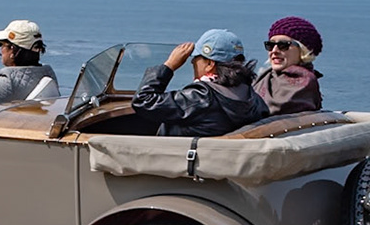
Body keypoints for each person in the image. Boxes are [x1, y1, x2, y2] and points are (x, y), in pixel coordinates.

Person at [130, 28, 269, 136]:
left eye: (196, 58)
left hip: (178, 165)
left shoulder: (201, 96)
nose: (192, 62)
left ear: (209, 64)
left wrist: (169, 65)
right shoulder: (253, 99)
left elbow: (143, 101)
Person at [253, 15, 324, 114]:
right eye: (270, 45)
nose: (274, 51)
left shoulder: (302, 83)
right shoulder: (265, 77)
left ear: (303, 50)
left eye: (283, 45)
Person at [0, 19, 60, 102]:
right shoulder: (48, 74)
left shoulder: (5, 82)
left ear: (12, 50)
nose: (1, 49)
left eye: (1, 44)